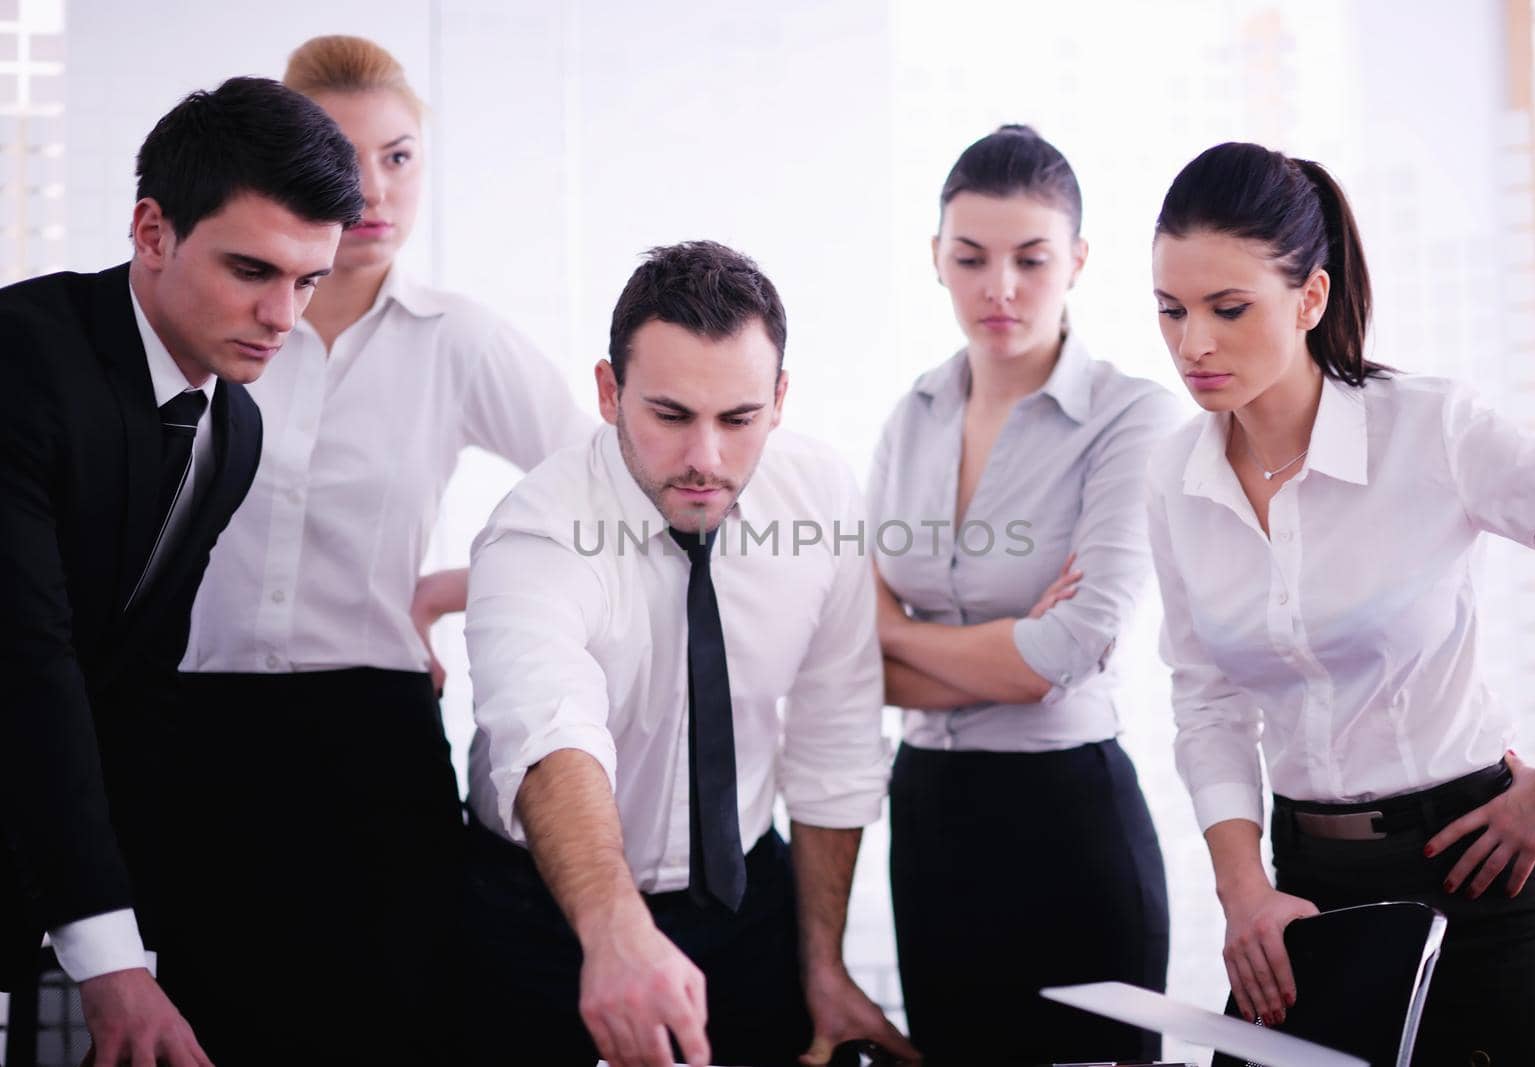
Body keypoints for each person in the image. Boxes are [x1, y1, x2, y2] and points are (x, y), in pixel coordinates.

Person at [160, 36, 594, 1066]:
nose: (372, 188)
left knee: (389, 1020)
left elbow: (605, 499)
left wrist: (450, 589)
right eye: (341, 157)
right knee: (211, 1022)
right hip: (195, 726)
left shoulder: (458, 338)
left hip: (371, 733)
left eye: (398, 157)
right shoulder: (212, 314)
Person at [1147, 140, 1535, 1065]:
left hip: (1487, 882)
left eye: (1229, 309)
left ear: (1310, 298)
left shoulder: (1432, 430)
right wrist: (1243, 891)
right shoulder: (1173, 476)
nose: (1194, 343)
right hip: (1305, 896)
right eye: (1171, 309)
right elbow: (1206, 697)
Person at [462, 240, 917, 1067]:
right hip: (541, 913)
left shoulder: (819, 498)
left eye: (738, 419)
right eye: (670, 416)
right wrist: (614, 929)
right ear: (609, 392)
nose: (706, 457)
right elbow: (547, 733)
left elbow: (832, 744)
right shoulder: (536, 528)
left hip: (747, 900)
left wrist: (823, 966)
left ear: (779, 400)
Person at [0, 77, 361, 1067]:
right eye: (253, 268)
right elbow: (29, 664)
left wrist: (133, 940)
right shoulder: (20, 358)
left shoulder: (233, 429)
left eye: (310, 279)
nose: (283, 314)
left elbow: (133, 686)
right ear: (152, 231)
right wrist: (111, 960)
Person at [869, 124, 1179, 1064]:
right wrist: (1004, 650)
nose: (998, 288)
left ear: (1078, 260)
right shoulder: (911, 415)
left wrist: (900, 632)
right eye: (971, 258)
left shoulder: (1134, 416)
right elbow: (851, 655)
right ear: (936, 259)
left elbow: (1067, 653)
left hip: (1070, 825)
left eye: (1030, 259)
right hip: (928, 817)